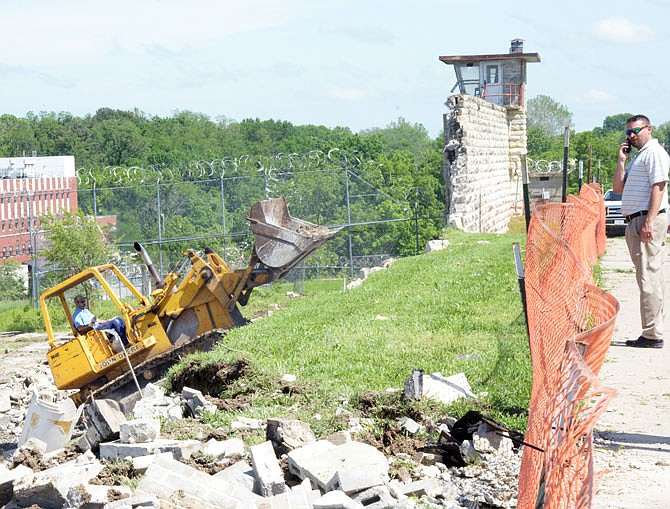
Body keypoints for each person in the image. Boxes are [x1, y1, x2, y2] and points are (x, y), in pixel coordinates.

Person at [613, 114, 670, 348]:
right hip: (637, 220)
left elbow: (659, 185)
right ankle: (652, 329)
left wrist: (649, 221)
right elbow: (617, 188)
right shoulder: (639, 157)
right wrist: (621, 161)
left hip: (646, 219)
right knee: (648, 276)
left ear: (649, 129)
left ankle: (652, 334)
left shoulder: (654, 152)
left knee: (649, 277)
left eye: (635, 131)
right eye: (628, 133)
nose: (632, 136)